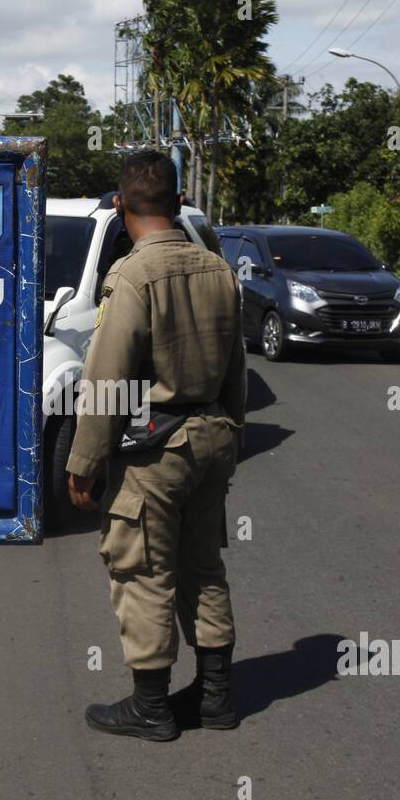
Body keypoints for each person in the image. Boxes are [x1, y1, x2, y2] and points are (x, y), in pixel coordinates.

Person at [66, 150, 246, 743]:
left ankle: (151, 707)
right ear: (179, 203)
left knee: (142, 569)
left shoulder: (132, 277)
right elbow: (237, 373)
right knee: (203, 567)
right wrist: (231, 435)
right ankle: (215, 698)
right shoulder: (220, 271)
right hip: (214, 435)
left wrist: (86, 462)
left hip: (156, 448)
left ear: (121, 209)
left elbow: (108, 378)